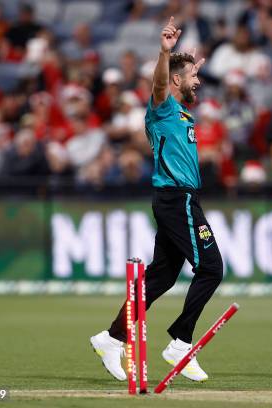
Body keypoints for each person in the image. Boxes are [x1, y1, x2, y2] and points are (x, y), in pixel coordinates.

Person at [90, 17, 222, 383]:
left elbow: (177, 80)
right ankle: (180, 341)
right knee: (212, 269)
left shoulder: (182, 111)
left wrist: (186, 64)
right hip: (175, 198)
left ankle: (111, 338)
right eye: (192, 77)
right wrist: (165, 53)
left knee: (160, 277)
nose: (198, 81)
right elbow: (160, 83)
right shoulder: (163, 107)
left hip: (180, 199)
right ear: (176, 80)